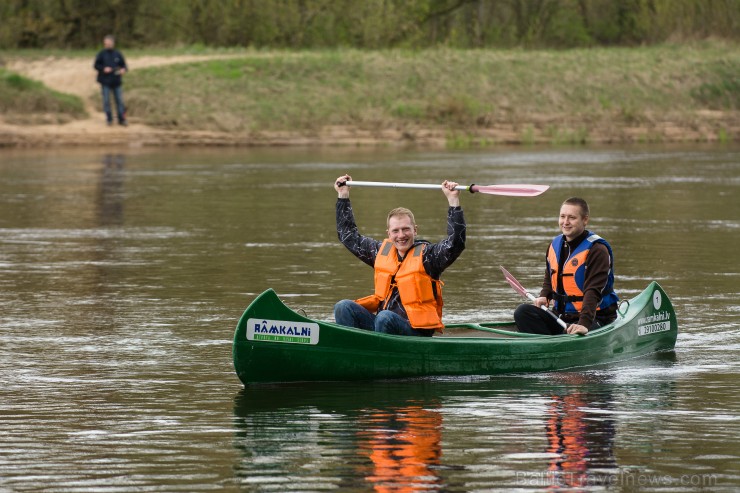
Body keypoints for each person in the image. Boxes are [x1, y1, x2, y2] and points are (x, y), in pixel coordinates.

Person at [333, 174, 466, 337]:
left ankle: (382, 356)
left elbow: (455, 244)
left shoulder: (428, 257)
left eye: (406, 229)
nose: (401, 235)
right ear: (388, 233)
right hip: (383, 326)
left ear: (415, 230)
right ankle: (354, 351)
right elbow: (348, 236)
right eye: (395, 231)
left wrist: (453, 201)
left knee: (384, 317)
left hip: (415, 332)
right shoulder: (380, 252)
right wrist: (343, 195)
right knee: (343, 306)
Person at [514, 197, 618, 336]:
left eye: (572, 218)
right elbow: (550, 276)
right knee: (522, 312)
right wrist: (545, 295)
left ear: (585, 220)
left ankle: (555, 344)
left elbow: (593, 291)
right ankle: (547, 346)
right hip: (562, 316)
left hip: (595, 317)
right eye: (562, 216)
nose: (565, 222)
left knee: (576, 331)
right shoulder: (555, 245)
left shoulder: (597, 250)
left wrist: (583, 324)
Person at [94, 35, 128, 126]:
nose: (107, 45)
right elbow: (96, 65)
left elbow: (124, 66)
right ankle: (109, 119)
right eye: (106, 43)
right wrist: (103, 69)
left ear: (113, 43)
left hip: (116, 81)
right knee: (106, 101)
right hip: (105, 81)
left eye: (109, 43)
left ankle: (122, 119)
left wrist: (123, 70)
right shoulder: (101, 54)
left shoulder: (118, 54)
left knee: (119, 101)